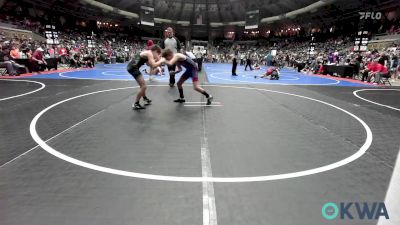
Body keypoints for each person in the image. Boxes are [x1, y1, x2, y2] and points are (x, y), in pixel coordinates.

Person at [127, 45, 165, 110]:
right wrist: (161, 60)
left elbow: (149, 64)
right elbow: (153, 65)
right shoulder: (149, 53)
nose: (158, 55)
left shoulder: (148, 53)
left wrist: (157, 60)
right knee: (143, 86)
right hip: (133, 68)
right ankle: (136, 103)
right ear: (155, 51)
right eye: (158, 54)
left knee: (142, 86)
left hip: (132, 67)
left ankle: (145, 98)